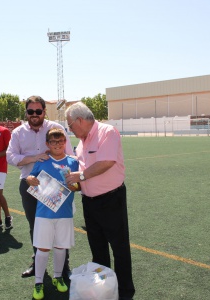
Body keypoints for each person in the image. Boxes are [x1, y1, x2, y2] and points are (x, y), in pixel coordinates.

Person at [65, 102, 135, 300]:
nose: (70, 129)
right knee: (98, 250)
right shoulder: (82, 141)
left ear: (80, 120)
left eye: (70, 125)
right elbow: (81, 168)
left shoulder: (107, 132)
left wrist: (81, 177)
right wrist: (75, 183)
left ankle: (124, 293)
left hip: (111, 200)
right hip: (89, 202)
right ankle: (104, 290)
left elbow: (106, 162)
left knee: (119, 249)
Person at [6, 95, 73, 278]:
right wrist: (34, 158)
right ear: (26, 112)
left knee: (60, 226)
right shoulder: (18, 132)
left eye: (38, 111)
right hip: (30, 184)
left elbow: (69, 154)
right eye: (30, 111)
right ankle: (37, 264)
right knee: (35, 226)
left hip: (55, 186)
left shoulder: (56, 128)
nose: (34, 114)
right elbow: (10, 156)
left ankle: (64, 266)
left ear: (44, 111)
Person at [25, 128, 79, 300]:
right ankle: (38, 282)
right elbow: (30, 179)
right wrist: (30, 180)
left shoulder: (73, 162)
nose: (57, 144)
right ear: (47, 144)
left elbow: (78, 186)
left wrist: (75, 187)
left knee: (60, 247)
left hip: (64, 213)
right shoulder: (42, 161)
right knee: (42, 248)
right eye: (53, 142)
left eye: (60, 141)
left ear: (65, 142)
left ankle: (57, 277)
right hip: (44, 213)